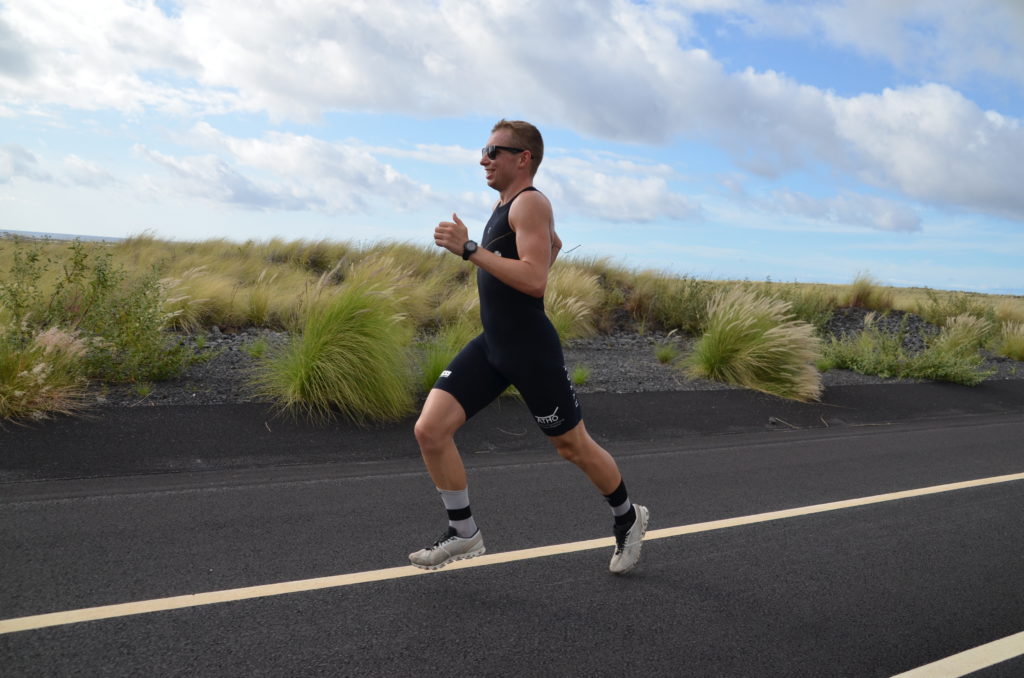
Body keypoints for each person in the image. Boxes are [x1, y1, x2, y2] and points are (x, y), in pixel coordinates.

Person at [408, 119, 649, 574]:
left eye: (494, 151)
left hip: (530, 350)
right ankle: (464, 534)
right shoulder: (506, 205)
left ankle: (628, 516)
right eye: (484, 149)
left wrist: (470, 250)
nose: (484, 158)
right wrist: (495, 250)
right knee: (430, 430)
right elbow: (550, 247)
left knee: (572, 446)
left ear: (524, 158)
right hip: (493, 346)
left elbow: (536, 280)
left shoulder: (530, 202)